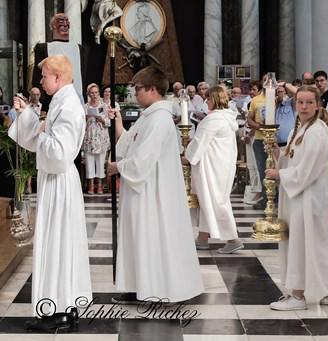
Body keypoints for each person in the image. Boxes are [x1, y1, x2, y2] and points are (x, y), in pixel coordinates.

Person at [108, 66, 204, 304]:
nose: (135, 94)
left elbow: (142, 160)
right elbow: (128, 142)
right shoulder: (148, 116)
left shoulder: (159, 120)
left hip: (151, 193)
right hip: (140, 191)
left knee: (149, 237)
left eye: (138, 89)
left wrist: (118, 167)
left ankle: (154, 289)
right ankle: (137, 286)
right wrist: (117, 120)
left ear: (152, 90)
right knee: (137, 237)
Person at [10, 55, 91, 329]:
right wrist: (29, 117)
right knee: (59, 242)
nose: (41, 81)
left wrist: (39, 126)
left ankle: (58, 310)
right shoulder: (61, 101)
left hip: (59, 179)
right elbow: (41, 141)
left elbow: (58, 153)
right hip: (56, 180)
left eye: (44, 76)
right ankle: (63, 304)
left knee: (58, 242)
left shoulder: (68, 106)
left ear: (58, 77)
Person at [265, 86, 328, 310]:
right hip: (299, 197)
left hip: (309, 198)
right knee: (313, 244)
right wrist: (276, 153)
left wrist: (279, 174)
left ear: (318, 105)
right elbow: (293, 160)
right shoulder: (299, 130)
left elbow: (308, 169)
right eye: (300, 102)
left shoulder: (317, 131)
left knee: (304, 244)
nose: (304, 106)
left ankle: (299, 296)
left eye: (309, 102)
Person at [186, 86, 243, 254]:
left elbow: (198, 142)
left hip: (212, 167)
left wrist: (187, 156)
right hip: (221, 165)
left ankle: (233, 239)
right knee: (208, 200)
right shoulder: (226, 118)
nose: (206, 101)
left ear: (215, 100)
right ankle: (202, 238)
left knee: (216, 201)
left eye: (209, 99)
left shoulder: (213, 120)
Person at [32, 13, 86, 111]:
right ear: (53, 26)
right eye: (61, 21)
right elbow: (37, 77)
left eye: (67, 21)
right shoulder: (43, 48)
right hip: (52, 100)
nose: (65, 24)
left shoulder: (79, 49)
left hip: (76, 98)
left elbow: (83, 75)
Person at [83, 83, 111, 195]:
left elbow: (109, 122)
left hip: (101, 137)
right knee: (89, 162)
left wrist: (102, 120)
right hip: (89, 137)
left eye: (96, 93)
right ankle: (90, 185)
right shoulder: (85, 107)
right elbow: (80, 123)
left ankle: (99, 185)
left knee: (100, 162)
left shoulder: (104, 106)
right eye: (92, 93)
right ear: (88, 94)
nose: (94, 95)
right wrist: (86, 117)